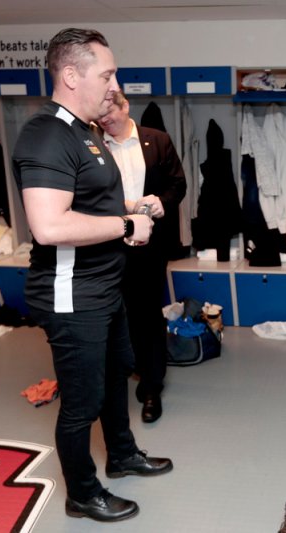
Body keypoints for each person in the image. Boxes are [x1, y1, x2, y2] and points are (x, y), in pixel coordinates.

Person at [12, 28, 172, 522]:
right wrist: (126, 224)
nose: (113, 83)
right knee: (81, 402)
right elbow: (48, 225)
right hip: (71, 294)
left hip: (105, 287)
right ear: (70, 74)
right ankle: (82, 492)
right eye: (106, 74)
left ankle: (121, 455)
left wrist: (132, 205)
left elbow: (86, 200)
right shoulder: (46, 134)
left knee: (115, 376)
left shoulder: (87, 131)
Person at [98, 91, 187, 423]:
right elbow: (88, 197)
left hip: (151, 244)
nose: (106, 121)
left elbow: (178, 184)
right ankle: (123, 373)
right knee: (115, 313)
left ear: (126, 107)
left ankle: (152, 386)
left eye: (111, 115)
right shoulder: (92, 144)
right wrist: (128, 207)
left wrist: (163, 202)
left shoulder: (157, 140)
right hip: (108, 243)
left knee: (148, 312)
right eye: (100, 117)